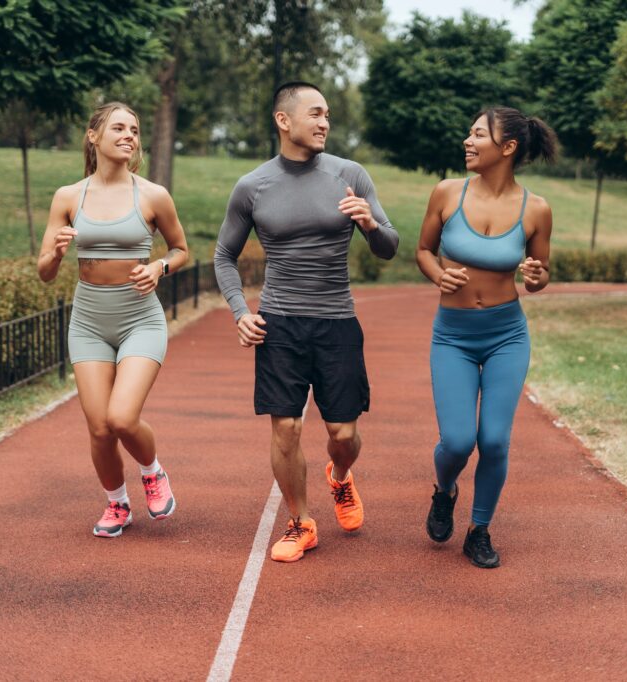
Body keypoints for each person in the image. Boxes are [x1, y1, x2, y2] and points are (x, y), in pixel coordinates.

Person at [214, 81, 399, 562]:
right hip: (280, 324)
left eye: (328, 115)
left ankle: (339, 478)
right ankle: (301, 522)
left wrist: (370, 224)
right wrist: (240, 311)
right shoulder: (253, 186)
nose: (324, 123)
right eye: (315, 113)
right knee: (287, 429)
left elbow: (389, 248)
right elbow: (223, 255)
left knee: (342, 435)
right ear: (284, 120)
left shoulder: (349, 174)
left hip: (336, 321)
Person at [37, 102, 189, 538]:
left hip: (140, 319)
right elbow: (45, 273)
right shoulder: (69, 197)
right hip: (88, 322)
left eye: (135, 129)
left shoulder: (152, 195)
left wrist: (159, 267)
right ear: (93, 136)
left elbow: (181, 250)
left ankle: (153, 471)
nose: (129, 135)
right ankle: (117, 504)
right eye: (119, 127)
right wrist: (57, 253)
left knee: (123, 418)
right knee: (100, 428)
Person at [415, 106, 557, 568]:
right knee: (457, 442)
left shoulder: (536, 209)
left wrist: (535, 276)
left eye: (478, 135)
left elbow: (539, 277)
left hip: (506, 335)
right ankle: (444, 491)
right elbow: (423, 251)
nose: (468, 141)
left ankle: (479, 529)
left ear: (508, 148)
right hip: (453, 335)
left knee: (494, 440)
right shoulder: (446, 193)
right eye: (470, 133)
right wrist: (438, 275)